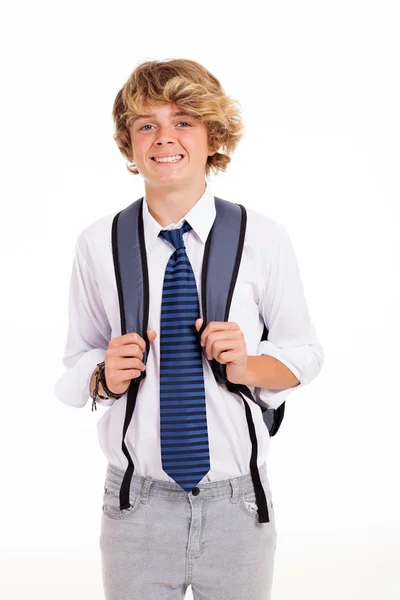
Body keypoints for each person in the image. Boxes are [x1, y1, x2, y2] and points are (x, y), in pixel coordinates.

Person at [54, 58, 324, 600]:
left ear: (212, 137)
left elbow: (305, 355)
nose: (163, 138)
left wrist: (248, 366)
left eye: (183, 121)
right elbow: (73, 369)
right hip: (135, 507)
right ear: (129, 143)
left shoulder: (263, 238)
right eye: (146, 125)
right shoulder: (97, 243)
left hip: (238, 506)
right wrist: (104, 377)